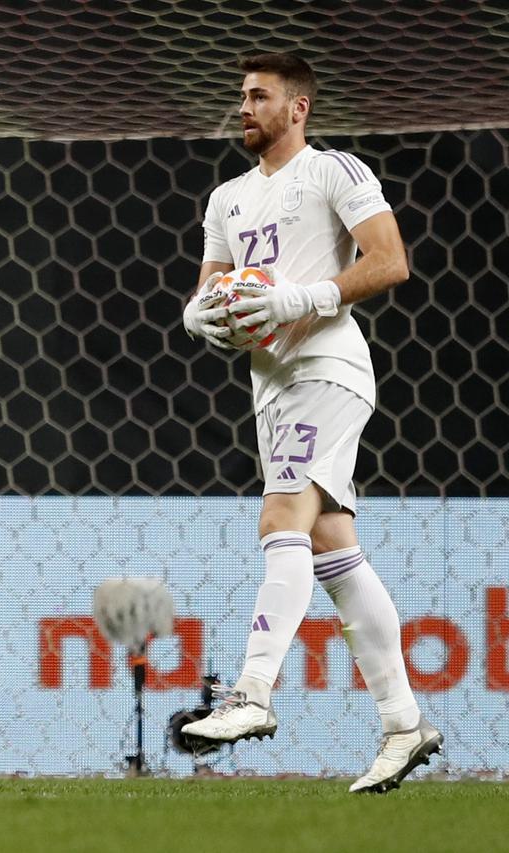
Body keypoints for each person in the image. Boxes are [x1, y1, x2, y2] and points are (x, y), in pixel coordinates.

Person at [179, 53, 441, 793]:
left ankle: (251, 694)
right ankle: (403, 723)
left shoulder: (335, 172)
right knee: (332, 549)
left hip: (329, 367)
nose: (245, 108)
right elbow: (206, 297)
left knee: (280, 519)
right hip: (272, 387)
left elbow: (389, 260)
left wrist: (300, 300)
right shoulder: (225, 198)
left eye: (259, 96)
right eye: (241, 96)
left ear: (298, 108)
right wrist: (201, 317)